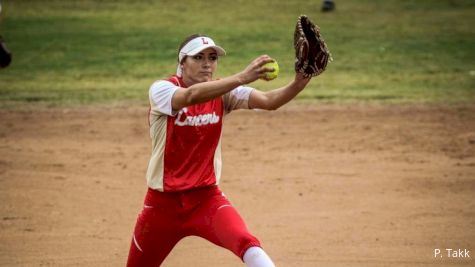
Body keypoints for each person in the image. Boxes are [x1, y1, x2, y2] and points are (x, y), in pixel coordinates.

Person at [126, 34, 313, 267]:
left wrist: (300, 82)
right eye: (199, 57)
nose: (207, 63)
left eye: (213, 58)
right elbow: (190, 96)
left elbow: (269, 100)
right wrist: (242, 77)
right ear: (182, 62)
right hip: (161, 206)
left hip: (206, 199)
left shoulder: (225, 92)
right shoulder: (162, 90)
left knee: (246, 242)